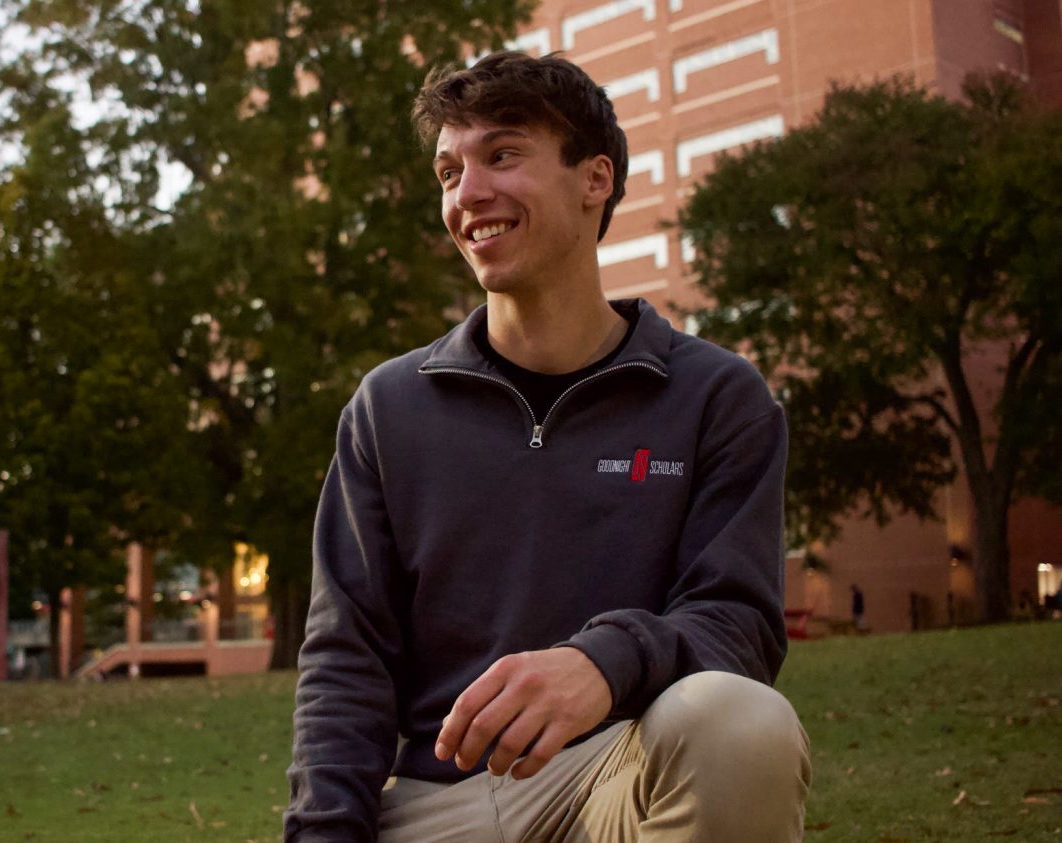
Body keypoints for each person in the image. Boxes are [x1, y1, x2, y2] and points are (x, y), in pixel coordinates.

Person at [284, 52, 811, 842]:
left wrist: (604, 661)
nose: (468, 194)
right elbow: (346, 661)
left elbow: (736, 622)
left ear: (594, 179)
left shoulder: (716, 397)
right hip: (432, 803)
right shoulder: (388, 408)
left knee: (740, 720)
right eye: (449, 171)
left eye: (502, 155)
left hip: (616, 781)